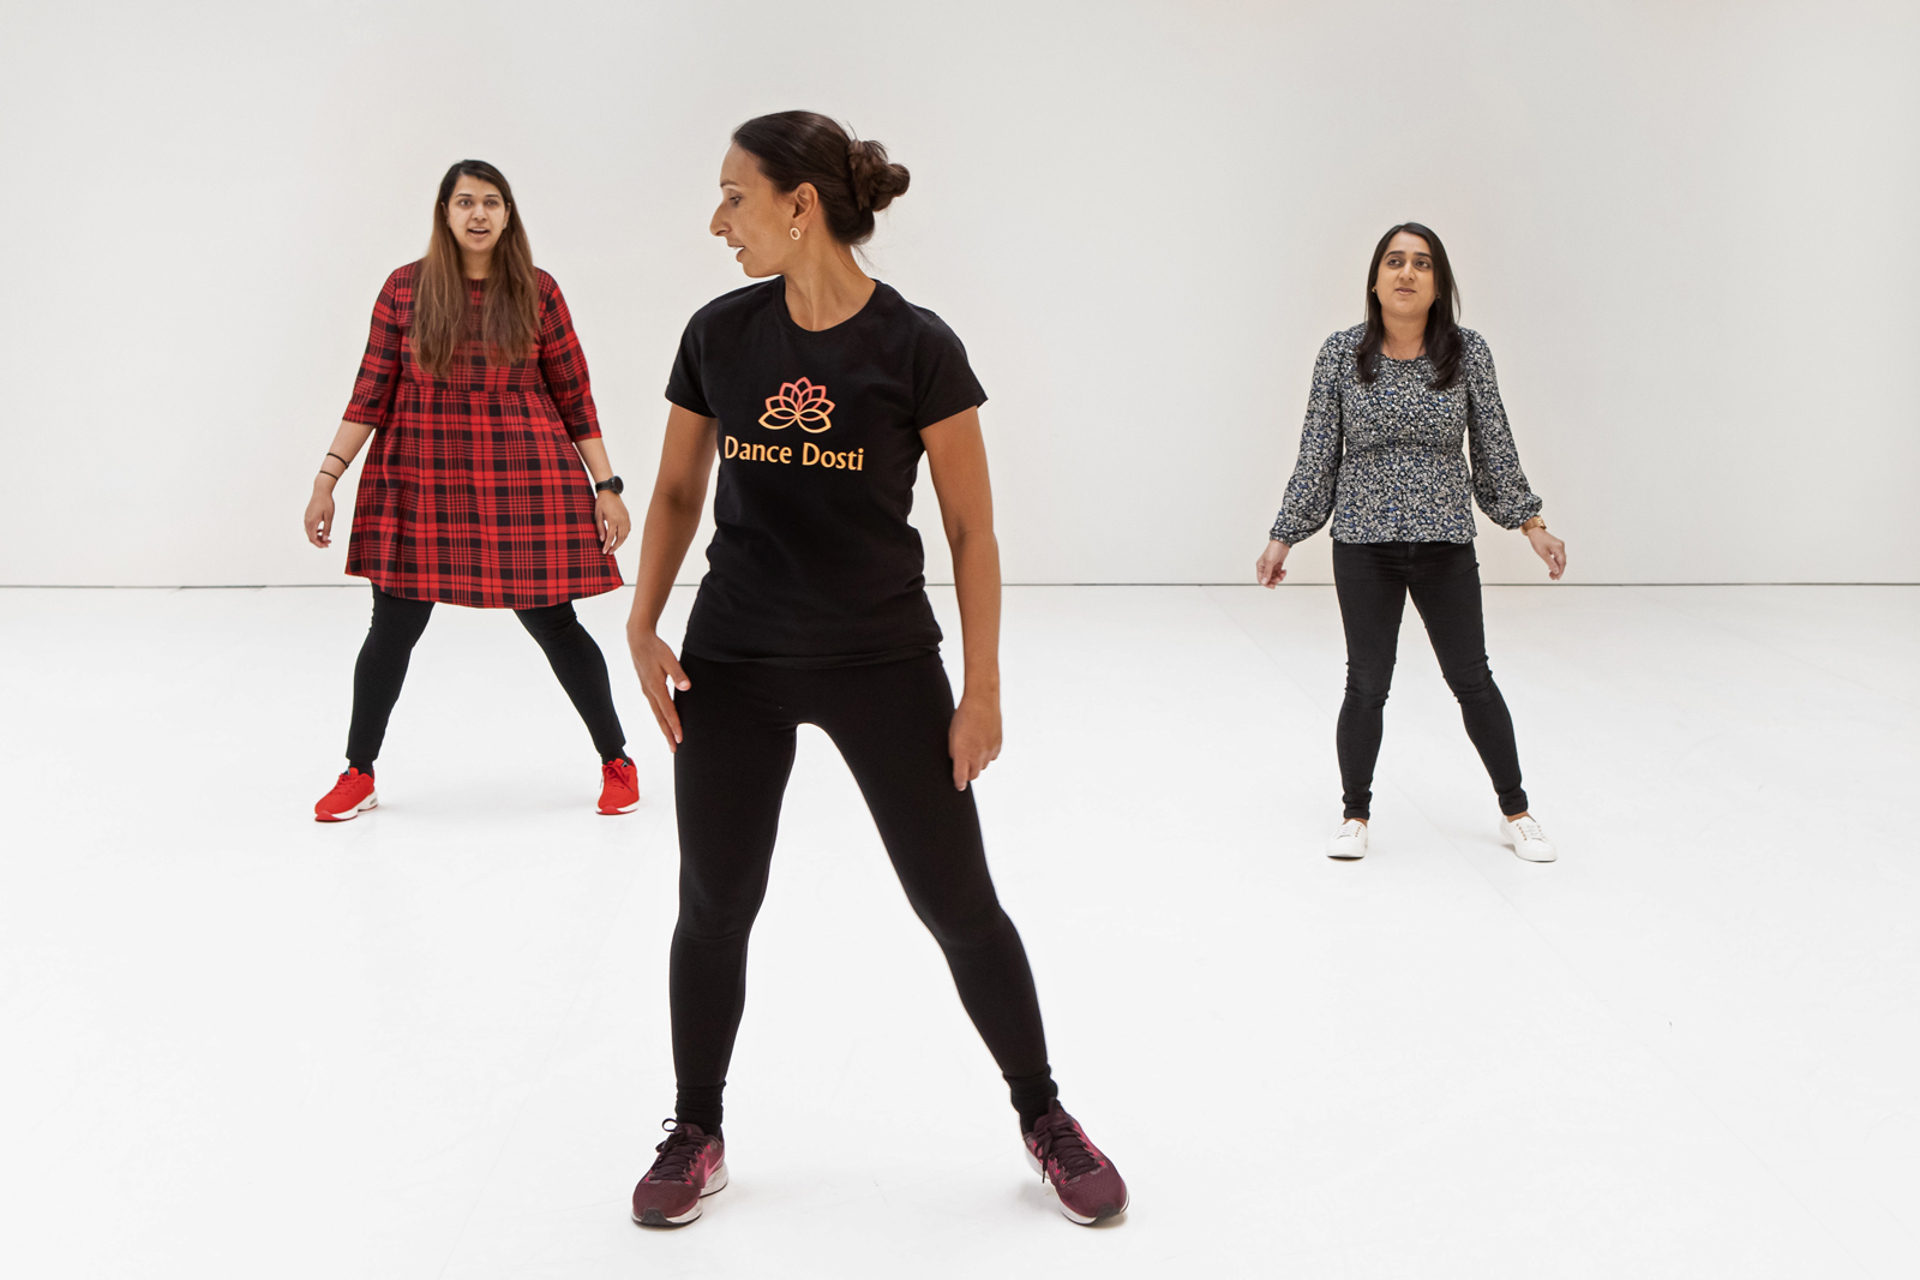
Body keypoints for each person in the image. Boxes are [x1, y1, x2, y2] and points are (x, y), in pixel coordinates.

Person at [622, 112, 1126, 1228]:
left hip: (881, 658)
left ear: (799, 206)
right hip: (736, 660)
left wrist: (982, 688)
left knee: (958, 903)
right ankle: (695, 1126)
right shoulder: (718, 333)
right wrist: (642, 621)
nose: (717, 222)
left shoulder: (918, 346)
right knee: (713, 904)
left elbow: (971, 529)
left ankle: (1043, 1112)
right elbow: (671, 493)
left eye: (734, 198)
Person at [303, 160, 639, 821]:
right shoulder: (405, 289)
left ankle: (617, 760)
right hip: (421, 475)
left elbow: (575, 395)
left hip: (522, 474)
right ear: (445, 212)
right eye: (465, 202)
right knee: (391, 630)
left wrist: (608, 486)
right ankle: (358, 771)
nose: (478, 214)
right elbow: (370, 391)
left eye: (491, 202)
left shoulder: (538, 292)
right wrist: (326, 479)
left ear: (508, 213)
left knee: (556, 624)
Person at [1256, 222, 1567, 864]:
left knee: (1472, 680)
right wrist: (1284, 535)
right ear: (1375, 279)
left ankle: (1518, 811)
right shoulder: (1341, 354)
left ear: (1439, 283)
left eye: (1421, 264)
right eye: (1394, 261)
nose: (1406, 273)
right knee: (1366, 684)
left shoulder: (1467, 352)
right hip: (1363, 545)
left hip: (1444, 544)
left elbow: (1495, 449)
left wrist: (1531, 525)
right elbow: (1318, 455)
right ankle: (1355, 815)